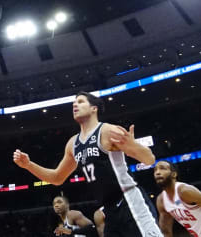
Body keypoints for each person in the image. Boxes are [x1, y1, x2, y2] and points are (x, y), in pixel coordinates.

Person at [13, 91, 162, 237]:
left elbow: (149, 160)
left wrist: (134, 146)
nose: (75, 105)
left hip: (129, 201)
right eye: (73, 103)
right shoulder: (73, 144)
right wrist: (29, 165)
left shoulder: (108, 130)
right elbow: (57, 178)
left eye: (80, 102)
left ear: (94, 108)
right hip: (108, 208)